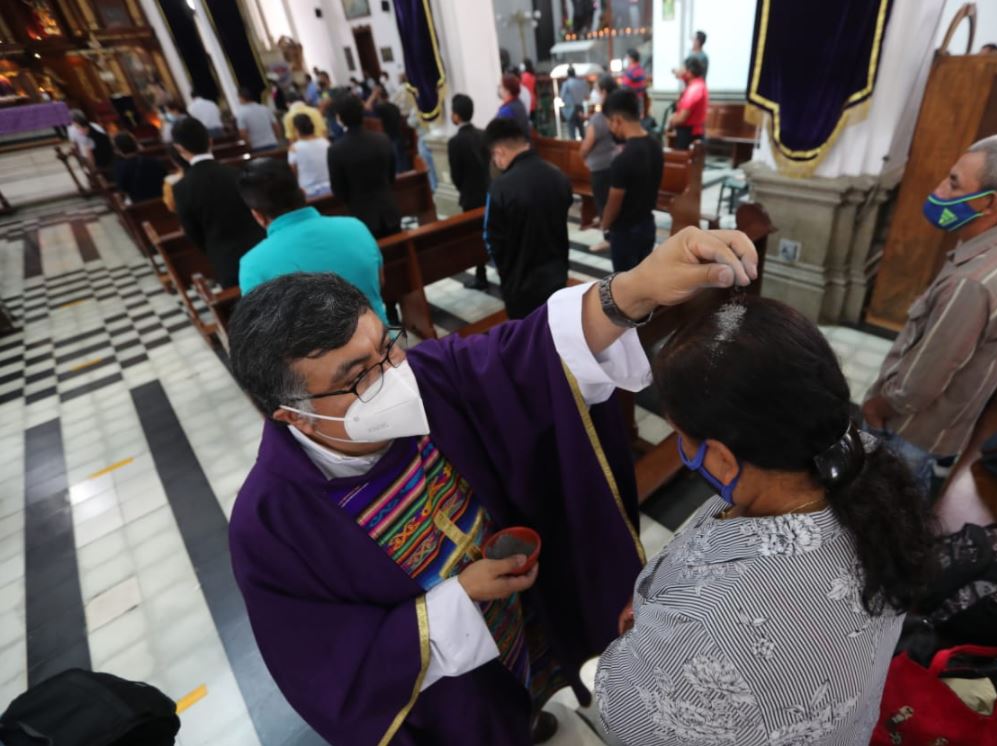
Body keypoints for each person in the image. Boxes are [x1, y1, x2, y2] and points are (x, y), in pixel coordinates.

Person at [225, 224, 760, 746]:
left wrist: (634, 289)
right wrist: (458, 599)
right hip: (449, 682)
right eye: (359, 375)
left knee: (531, 684)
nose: (393, 376)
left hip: (522, 612)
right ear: (295, 417)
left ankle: (528, 713)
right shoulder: (270, 523)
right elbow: (325, 665)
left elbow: (526, 353)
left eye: (387, 344)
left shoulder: (427, 375)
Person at [596, 294, 936, 745]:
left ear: (721, 457)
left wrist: (650, 635)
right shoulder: (863, 466)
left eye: (682, 436)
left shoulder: (709, 630)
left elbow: (626, 718)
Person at [862, 134, 997, 494]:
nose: (938, 189)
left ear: (988, 202)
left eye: (953, 183)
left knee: (885, 508)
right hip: (955, 421)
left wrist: (877, 407)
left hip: (912, 432)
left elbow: (920, 383)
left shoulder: (974, 282)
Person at [237, 157, 388, 324]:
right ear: (302, 193)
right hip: (383, 342)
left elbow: (263, 331)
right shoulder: (356, 227)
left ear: (257, 215)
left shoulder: (253, 265)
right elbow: (380, 281)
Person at [483, 116, 572, 319]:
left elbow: (492, 241)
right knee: (558, 331)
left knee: (526, 343)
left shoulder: (500, 188)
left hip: (521, 286)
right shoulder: (557, 175)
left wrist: (506, 273)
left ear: (499, 152)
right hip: (557, 276)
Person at [171, 116, 265, 287]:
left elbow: (193, 232)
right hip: (260, 250)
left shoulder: (181, 188)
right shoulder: (236, 173)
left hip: (225, 259)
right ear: (210, 141)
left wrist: (213, 249)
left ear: (179, 149)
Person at [601, 90, 662, 273]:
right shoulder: (655, 146)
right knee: (644, 280)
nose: (610, 129)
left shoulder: (623, 159)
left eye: (609, 123)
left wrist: (605, 226)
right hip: (647, 226)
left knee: (624, 288)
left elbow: (614, 204)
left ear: (617, 120)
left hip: (625, 233)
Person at [327, 94, 400, 239]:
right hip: (390, 210)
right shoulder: (382, 139)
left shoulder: (336, 150)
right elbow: (392, 176)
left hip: (362, 216)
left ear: (339, 118)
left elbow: (339, 191)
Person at [448, 93, 492, 290]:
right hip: (488, 191)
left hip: (470, 195)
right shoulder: (483, 135)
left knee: (475, 238)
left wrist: (463, 188)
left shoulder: (455, 142)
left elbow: (456, 174)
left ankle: (481, 274)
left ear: (456, 116)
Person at [579, 75, 619, 254]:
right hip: (614, 165)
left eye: (595, 89)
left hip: (600, 169)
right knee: (611, 203)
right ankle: (613, 236)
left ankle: (609, 239)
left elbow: (587, 144)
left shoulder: (599, 118)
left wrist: (582, 154)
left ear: (603, 92)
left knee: (603, 204)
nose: (594, 93)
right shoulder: (617, 113)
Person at [111, 131, 167, 203]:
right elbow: (165, 176)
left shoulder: (119, 168)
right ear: (136, 145)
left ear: (117, 150)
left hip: (139, 205)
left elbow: (122, 189)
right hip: (163, 199)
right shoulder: (153, 161)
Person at [366, 84, 409, 173]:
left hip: (389, 139)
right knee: (403, 163)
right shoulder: (393, 106)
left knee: (397, 168)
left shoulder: (380, 107)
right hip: (399, 136)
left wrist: (373, 96)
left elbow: (367, 108)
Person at [667, 57, 708, 150]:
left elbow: (681, 118)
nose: (680, 70)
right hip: (690, 131)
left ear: (689, 72)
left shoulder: (694, 89)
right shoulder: (697, 84)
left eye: (683, 68)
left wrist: (671, 121)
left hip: (688, 133)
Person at [287, 113, 332, 197]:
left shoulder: (294, 148)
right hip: (331, 186)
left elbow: (293, 173)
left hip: (308, 191)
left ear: (297, 130)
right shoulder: (325, 142)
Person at [236, 87, 281, 152]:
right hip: (272, 143)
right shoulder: (265, 109)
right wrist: (276, 139)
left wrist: (248, 146)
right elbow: (276, 126)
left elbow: (243, 133)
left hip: (256, 147)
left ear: (241, 98)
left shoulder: (241, 113)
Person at [497, 73, 531, 139]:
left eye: (501, 86)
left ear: (508, 90)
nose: (499, 88)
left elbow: (498, 133)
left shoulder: (507, 110)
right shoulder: (518, 104)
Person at [560, 66, 589, 140]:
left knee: (571, 131)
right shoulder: (582, 82)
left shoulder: (566, 84)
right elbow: (586, 96)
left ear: (567, 74)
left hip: (570, 108)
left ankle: (574, 148)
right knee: (581, 129)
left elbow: (562, 98)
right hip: (580, 107)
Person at [619, 49, 646, 114]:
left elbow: (626, 85)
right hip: (633, 99)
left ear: (632, 59)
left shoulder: (634, 71)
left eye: (627, 57)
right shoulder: (638, 69)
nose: (626, 59)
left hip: (632, 100)